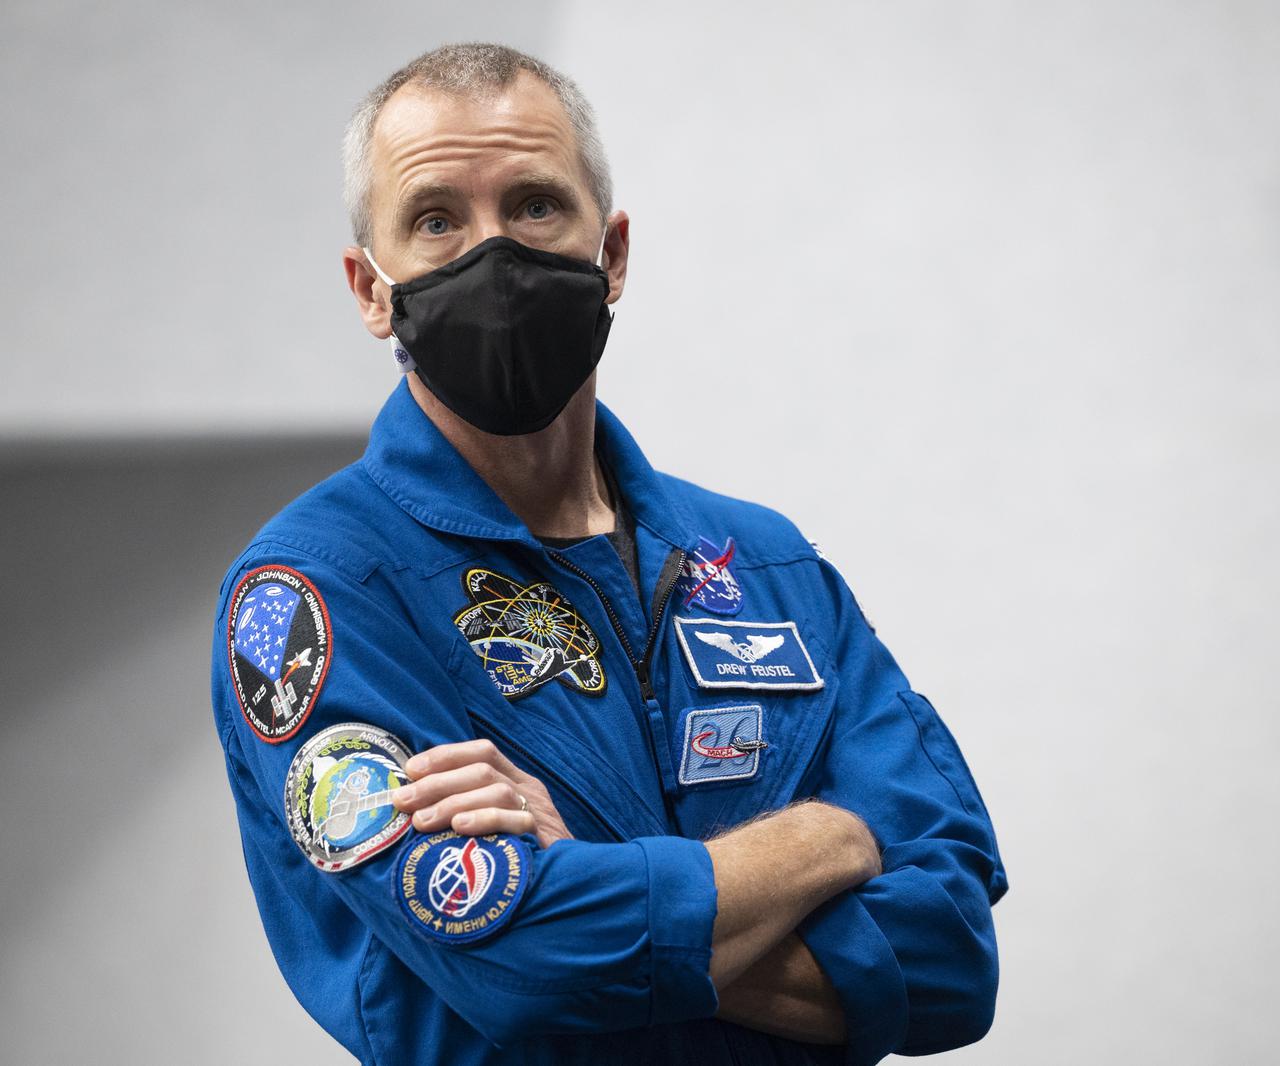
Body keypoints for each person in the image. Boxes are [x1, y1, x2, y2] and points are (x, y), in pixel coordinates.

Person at [210, 42, 1008, 1066]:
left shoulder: (763, 563)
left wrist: (594, 881)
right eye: (436, 218)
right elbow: (530, 966)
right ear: (372, 288)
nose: (491, 254)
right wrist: (831, 839)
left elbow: (953, 959)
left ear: (612, 253)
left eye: (536, 205)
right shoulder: (312, 594)